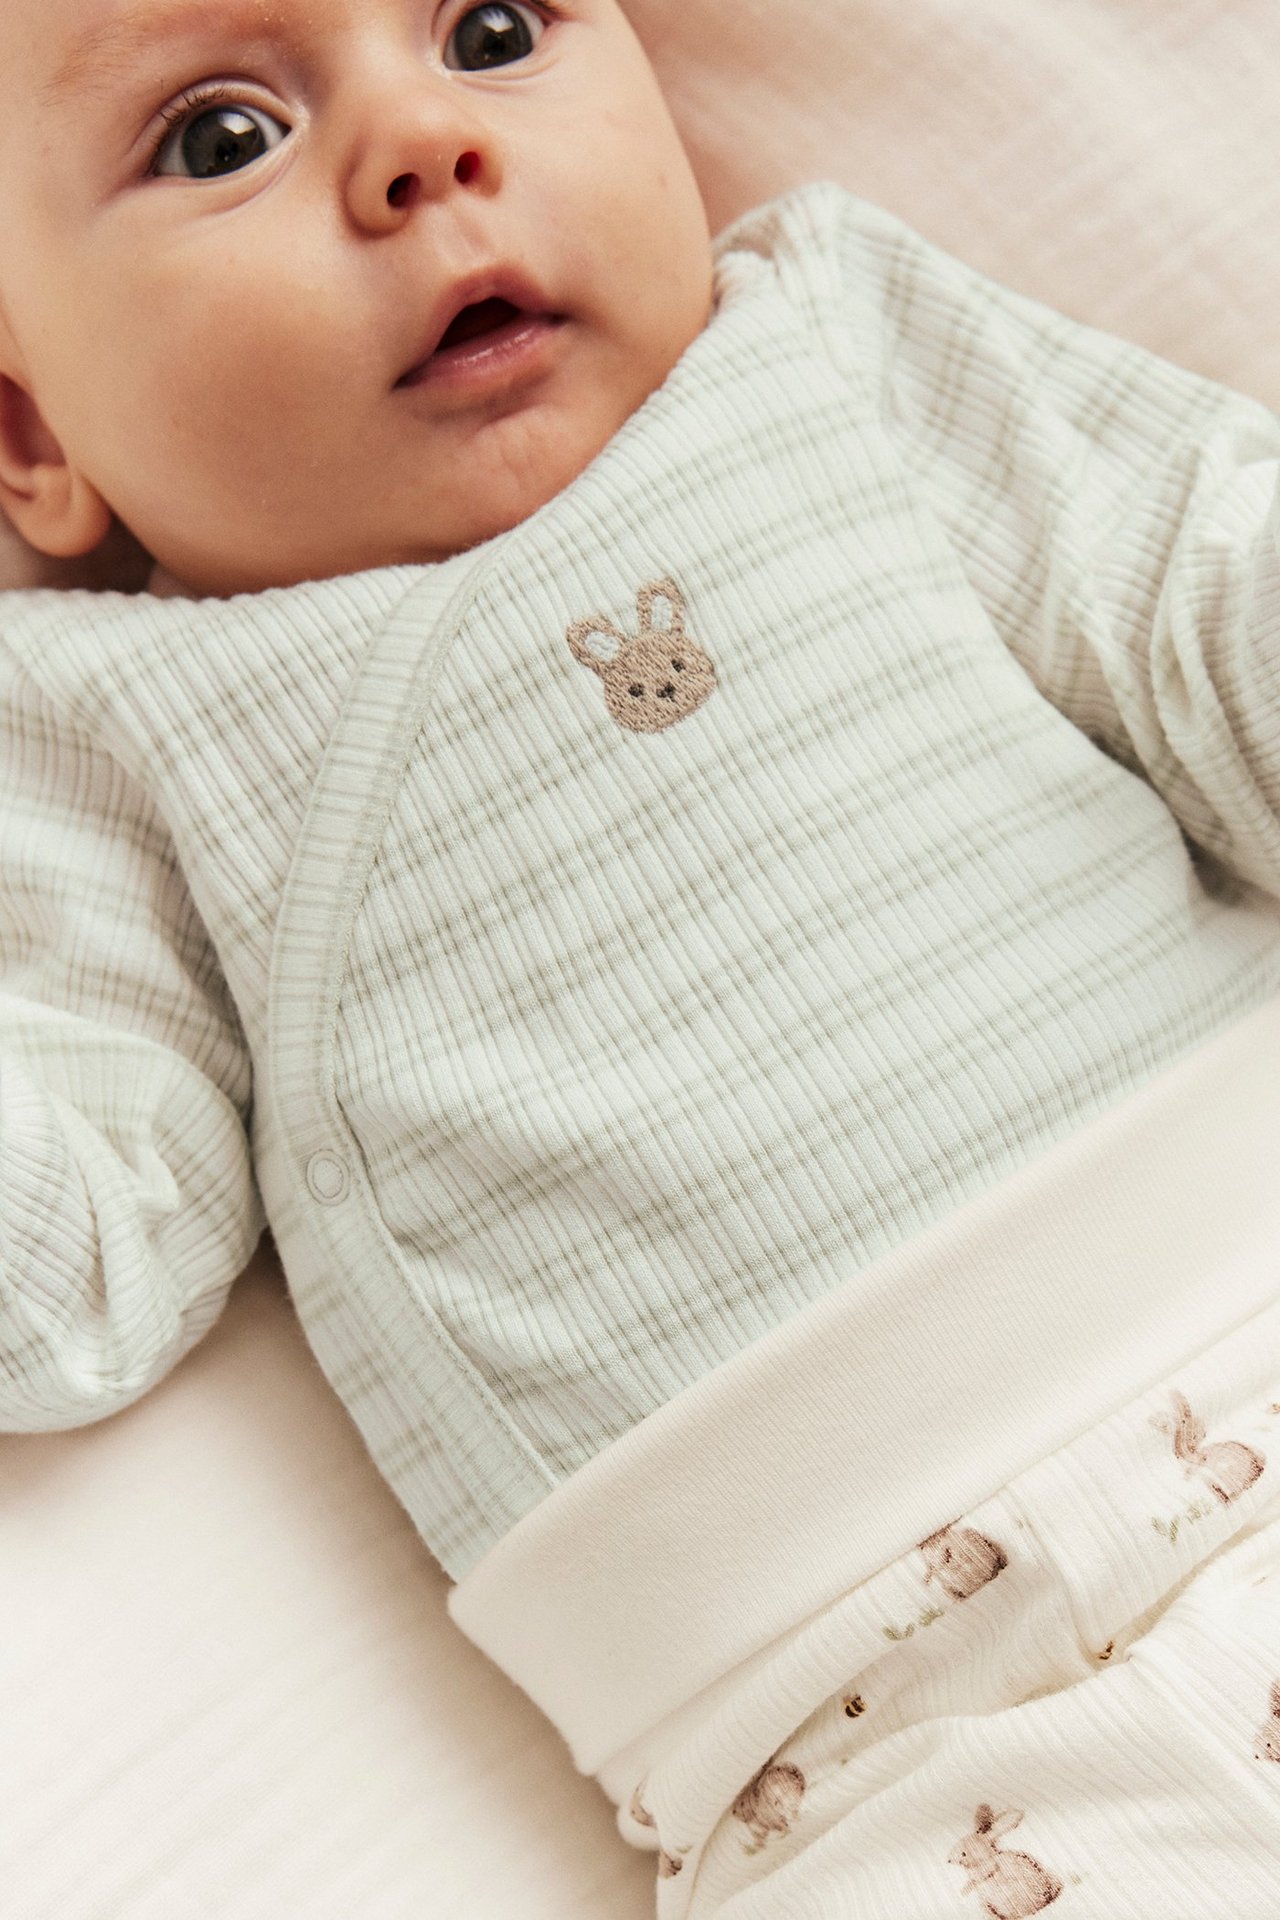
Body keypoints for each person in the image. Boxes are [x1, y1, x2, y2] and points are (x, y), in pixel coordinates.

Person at [2, 1, 1278, 1912]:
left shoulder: (835, 342)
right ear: (29, 435)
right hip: (878, 1760)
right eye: (220, 137)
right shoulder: (108, 724)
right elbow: (72, 1267)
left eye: (491, 29)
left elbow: (1207, 606)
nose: (420, 146)